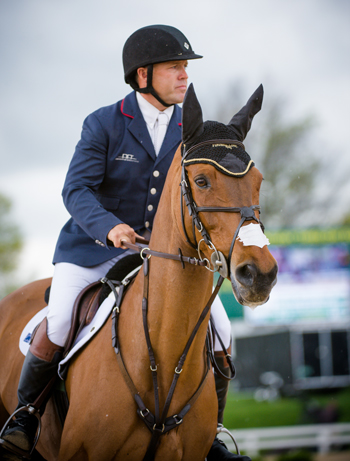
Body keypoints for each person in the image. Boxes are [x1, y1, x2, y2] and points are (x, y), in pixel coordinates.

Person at [0, 25, 243, 461]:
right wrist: (110, 227)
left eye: (186, 67)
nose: (184, 76)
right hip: (93, 250)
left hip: (165, 257)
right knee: (58, 322)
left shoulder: (190, 129)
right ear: (143, 75)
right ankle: (26, 416)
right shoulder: (105, 123)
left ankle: (210, 435)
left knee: (222, 332)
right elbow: (76, 191)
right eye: (175, 68)